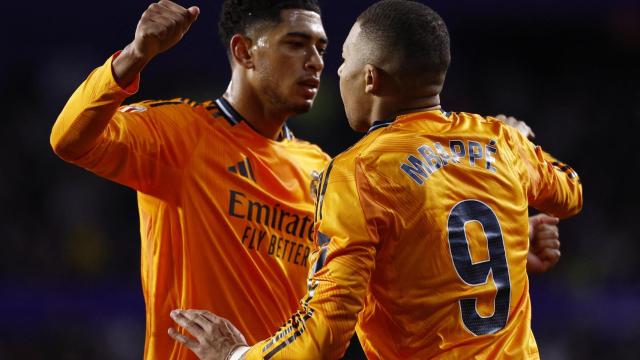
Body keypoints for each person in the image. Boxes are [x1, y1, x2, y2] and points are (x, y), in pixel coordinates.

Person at [168, 1, 582, 359]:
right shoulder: (499, 140)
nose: (337, 71)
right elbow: (569, 193)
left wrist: (235, 354)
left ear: (370, 78)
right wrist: (523, 152)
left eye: (344, 60)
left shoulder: (359, 173)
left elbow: (324, 338)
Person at [50, 0, 331, 358]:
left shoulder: (321, 169)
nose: (315, 61)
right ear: (244, 51)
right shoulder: (179, 135)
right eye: (295, 44)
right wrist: (134, 56)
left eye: (320, 48)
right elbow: (69, 140)